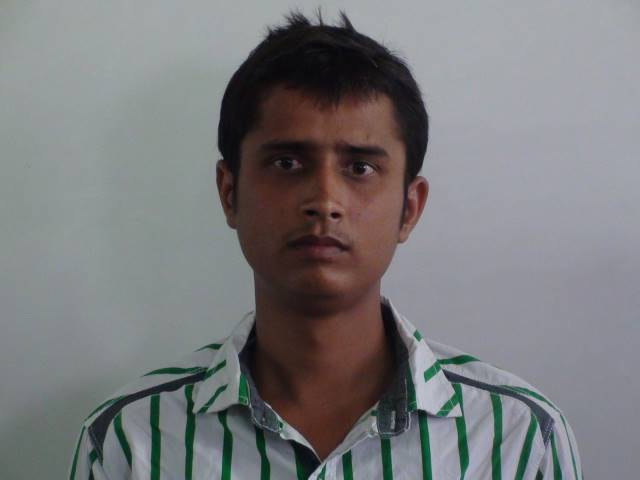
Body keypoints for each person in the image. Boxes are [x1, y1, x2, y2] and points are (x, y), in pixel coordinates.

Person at [68, 9, 583, 479]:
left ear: (409, 207)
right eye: (287, 163)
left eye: (360, 167)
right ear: (230, 193)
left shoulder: (517, 438)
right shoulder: (130, 440)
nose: (324, 201)